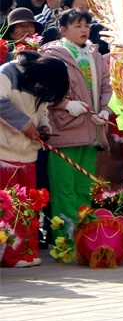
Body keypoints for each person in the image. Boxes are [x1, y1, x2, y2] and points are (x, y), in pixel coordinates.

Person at [39, 10, 112, 229]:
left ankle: (83, 239)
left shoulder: (95, 55)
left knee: (84, 187)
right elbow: (43, 88)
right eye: (77, 25)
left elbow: (106, 87)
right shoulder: (52, 55)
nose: (83, 30)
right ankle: (66, 242)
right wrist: (65, 104)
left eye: (86, 26)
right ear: (63, 30)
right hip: (64, 130)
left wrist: (105, 110)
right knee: (64, 187)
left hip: (91, 131)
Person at [0, 51, 69, 267]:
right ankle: (9, 256)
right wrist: (26, 125)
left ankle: (27, 253)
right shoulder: (7, 72)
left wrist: (42, 127)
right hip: (5, 152)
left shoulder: (39, 80)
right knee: (9, 208)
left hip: (28, 152)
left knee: (29, 206)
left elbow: (42, 111)